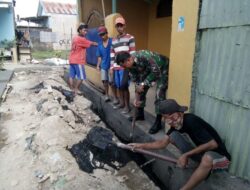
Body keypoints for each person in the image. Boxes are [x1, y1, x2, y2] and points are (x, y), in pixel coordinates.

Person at [129, 99, 231, 190]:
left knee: (208, 158)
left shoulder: (191, 120)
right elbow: (161, 143)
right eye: (166, 118)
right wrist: (139, 145)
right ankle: (200, 164)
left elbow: (213, 144)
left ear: (180, 113)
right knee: (173, 136)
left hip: (220, 158)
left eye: (172, 117)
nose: (170, 121)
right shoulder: (177, 125)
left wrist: (186, 155)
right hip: (202, 155)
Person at [116, 50, 169, 134]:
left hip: (162, 69)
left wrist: (144, 83)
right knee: (140, 91)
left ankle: (158, 122)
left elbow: (156, 72)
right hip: (148, 70)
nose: (124, 68)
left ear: (129, 60)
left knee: (159, 94)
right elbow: (136, 79)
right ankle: (140, 114)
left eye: (124, 66)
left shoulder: (144, 56)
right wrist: (137, 91)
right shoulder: (128, 66)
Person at [110, 16, 136, 114]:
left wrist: (131, 67)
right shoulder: (113, 40)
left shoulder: (130, 37)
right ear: (116, 27)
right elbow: (112, 54)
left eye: (121, 25)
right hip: (116, 67)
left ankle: (127, 106)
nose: (119, 27)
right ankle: (122, 103)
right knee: (118, 85)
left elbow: (133, 53)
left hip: (125, 67)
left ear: (124, 26)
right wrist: (112, 67)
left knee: (124, 86)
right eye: (117, 26)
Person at [68, 23, 97, 95]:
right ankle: (76, 89)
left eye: (86, 31)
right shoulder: (81, 39)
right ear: (80, 30)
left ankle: (71, 89)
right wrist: (102, 44)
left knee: (71, 76)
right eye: (84, 30)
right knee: (81, 77)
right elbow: (92, 43)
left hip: (72, 59)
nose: (86, 32)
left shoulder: (75, 37)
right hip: (78, 61)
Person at [96, 26, 112, 102]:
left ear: (107, 33)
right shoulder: (99, 45)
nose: (102, 36)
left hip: (111, 65)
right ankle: (107, 95)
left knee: (112, 82)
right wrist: (98, 65)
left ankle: (115, 97)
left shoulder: (112, 41)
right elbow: (99, 57)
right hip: (103, 65)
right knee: (104, 81)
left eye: (103, 34)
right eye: (100, 35)